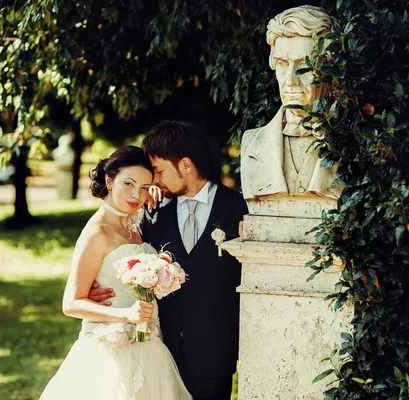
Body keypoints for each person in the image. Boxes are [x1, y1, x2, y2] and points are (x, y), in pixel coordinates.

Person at [90, 121, 248, 400]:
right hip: (162, 350)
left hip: (214, 352)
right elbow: (136, 264)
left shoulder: (240, 209)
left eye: (159, 171)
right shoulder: (154, 212)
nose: (155, 180)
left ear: (185, 165)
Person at [40, 146, 191, 400]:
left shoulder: (134, 226)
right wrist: (125, 314)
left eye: (145, 187)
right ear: (109, 181)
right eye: (128, 183)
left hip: (149, 347)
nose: (136, 195)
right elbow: (71, 304)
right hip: (111, 352)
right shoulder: (96, 233)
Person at [239, 5, 343, 200]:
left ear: (330, 68)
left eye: (304, 65)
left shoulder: (354, 146)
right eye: (282, 64)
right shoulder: (252, 145)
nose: (290, 80)